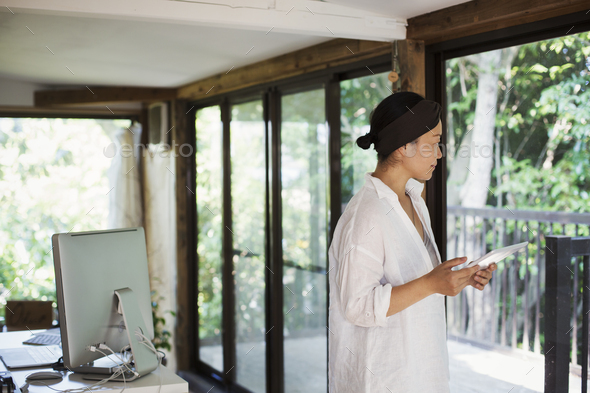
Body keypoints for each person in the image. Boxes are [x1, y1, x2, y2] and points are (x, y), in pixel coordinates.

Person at [328, 91, 497, 392]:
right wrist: (432, 284)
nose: (440, 154)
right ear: (405, 146)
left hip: (421, 371)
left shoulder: (414, 200)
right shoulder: (366, 214)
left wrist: (458, 278)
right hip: (382, 378)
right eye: (433, 144)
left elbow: (419, 281)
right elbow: (356, 306)